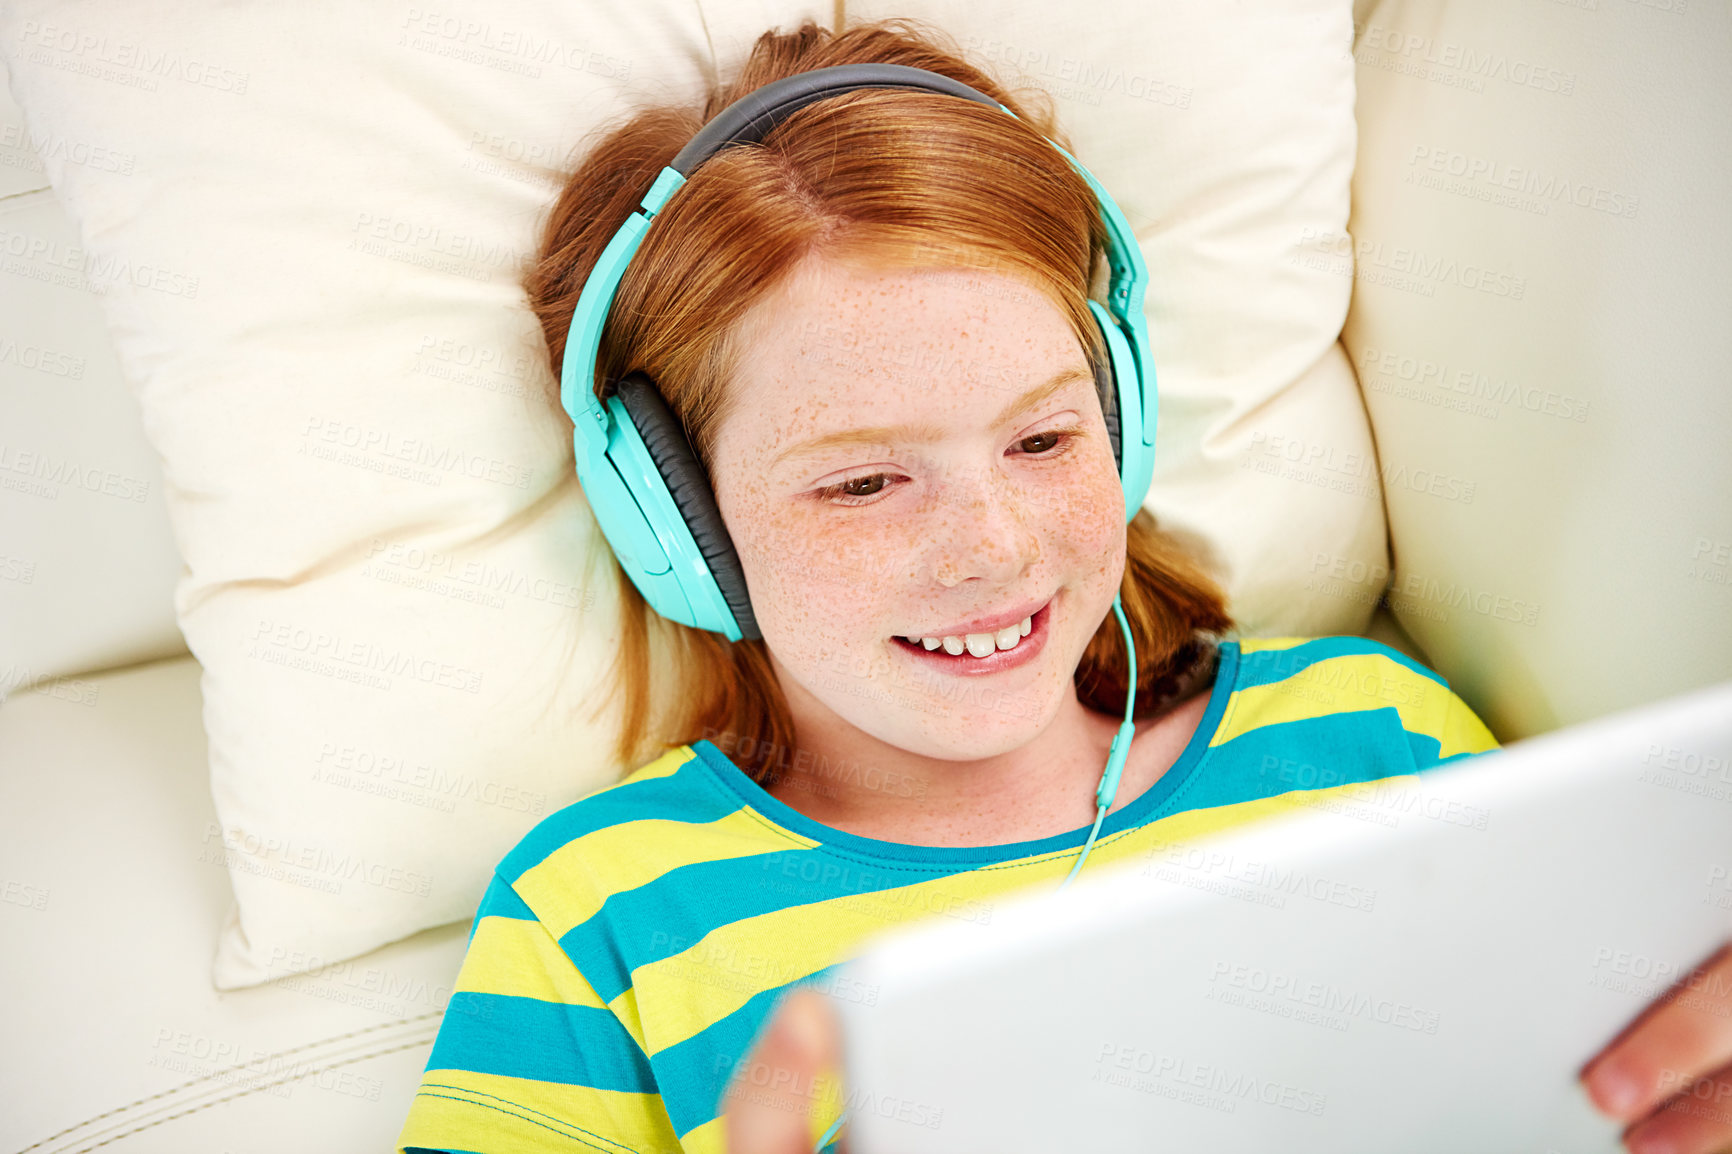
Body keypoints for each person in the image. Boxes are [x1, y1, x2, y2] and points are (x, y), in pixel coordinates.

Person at [396, 17, 1732, 1154]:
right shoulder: (600, 921)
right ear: (674, 525)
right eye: (863, 483)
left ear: (1127, 421)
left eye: (1043, 440)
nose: (997, 549)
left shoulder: (1377, 735)